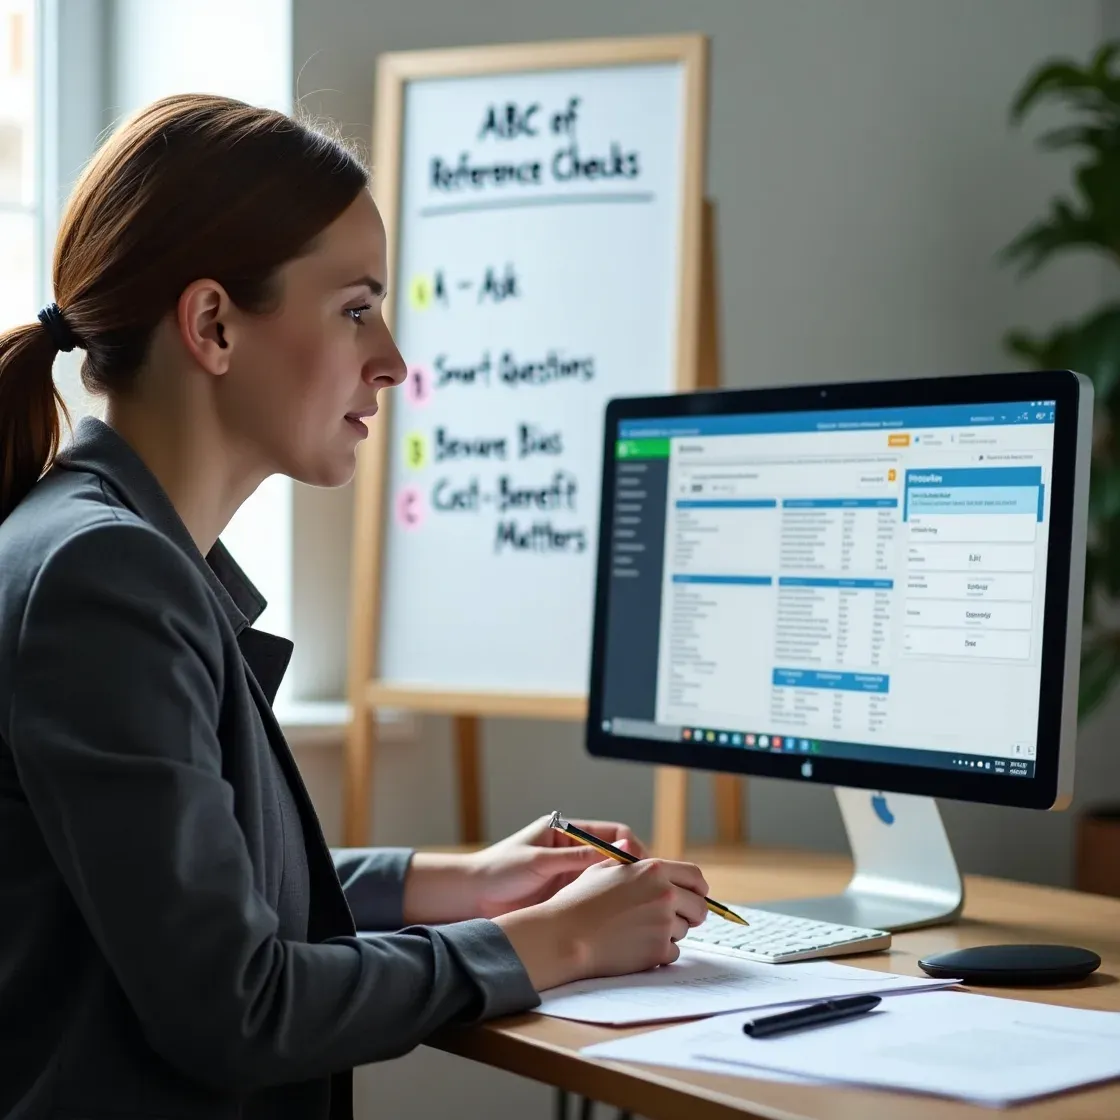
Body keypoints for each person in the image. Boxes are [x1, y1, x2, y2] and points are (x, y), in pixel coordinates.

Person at [0, 94, 710, 1119]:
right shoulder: (100, 576)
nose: (392, 358)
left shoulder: (106, 547)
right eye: (355, 308)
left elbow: (186, 884)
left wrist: (458, 879)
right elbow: (236, 1004)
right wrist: (560, 941)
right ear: (212, 325)